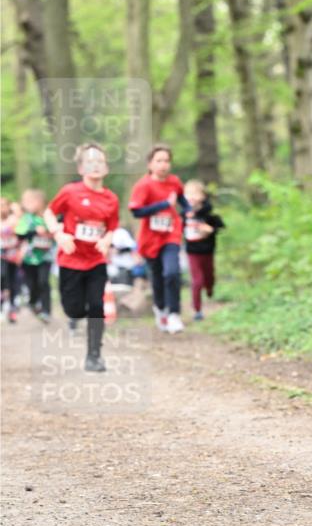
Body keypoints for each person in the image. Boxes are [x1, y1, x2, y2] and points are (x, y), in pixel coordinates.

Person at [44, 142, 119, 371]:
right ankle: (76, 315)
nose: (95, 166)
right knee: (74, 309)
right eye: (89, 162)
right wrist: (58, 234)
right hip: (71, 260)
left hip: (96, 260)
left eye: (100, 162)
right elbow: (49, 212)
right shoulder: (70, 192)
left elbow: (112, 226)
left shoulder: (111, 199)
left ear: (106, 168)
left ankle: (94, 356)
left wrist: (106, 240)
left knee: (97, 305)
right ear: (80, 168)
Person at [128, 144, 190, 334]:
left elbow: (182, 201)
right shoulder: (143, 185)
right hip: (150, 239)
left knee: (172, 272)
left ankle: (174, 314)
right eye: (159, 161)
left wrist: (188, 214)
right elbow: (136, 212)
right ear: (150, 164)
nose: (163, 165)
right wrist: (162, 204)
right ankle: (160, 308)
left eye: (166, 161)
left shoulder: (174, 182)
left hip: (171, 234)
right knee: (157, 277)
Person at [182, 179, 225, 321]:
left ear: (203, 196)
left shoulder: (209, 215)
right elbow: (177, 229)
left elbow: (220, 226)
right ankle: (197, 310)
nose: (192, 197)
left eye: (195, 193)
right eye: (188, 194)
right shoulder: (184, 214)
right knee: (197, 281)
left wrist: (210, 230)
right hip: (192, 251)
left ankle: (210, 287)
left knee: (209, 277)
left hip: (207, 251)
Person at [16, 188, 54, 323]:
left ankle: (46, 311)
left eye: (29, 201)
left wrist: (48, 232)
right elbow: (19, 235)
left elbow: (58, 230)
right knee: (31, 284)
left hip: (46, 256)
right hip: (29, 258)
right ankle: (33, 302)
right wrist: (34, 232)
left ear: (40, 202)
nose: (25, 204)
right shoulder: (27, 218)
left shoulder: (49, 216)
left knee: (44, 281)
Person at [1, 197, 21, 323]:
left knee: (13, 281)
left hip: (13, 254)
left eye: (4, 205)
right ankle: (2, 304)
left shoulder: (15, 219)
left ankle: (12, 308)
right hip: (1, 254)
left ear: (8, 207)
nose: (1, 207)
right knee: (1, 276)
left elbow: (22, 236)